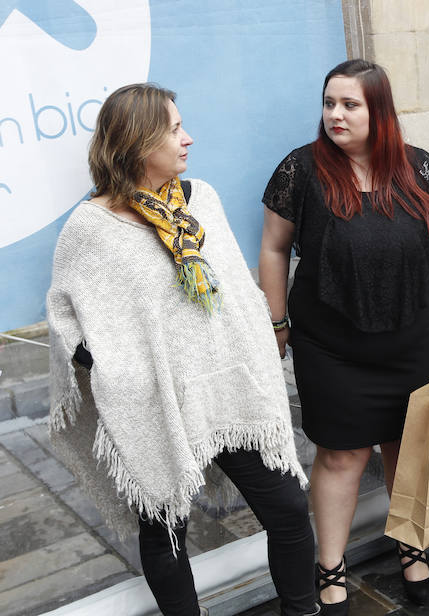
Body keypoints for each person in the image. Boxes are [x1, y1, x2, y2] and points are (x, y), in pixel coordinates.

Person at [46, 83, 318, 616]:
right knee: (166, 530)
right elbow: (66, 321)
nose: (187, 138)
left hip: (229, 391)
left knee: (287, 508)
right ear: (137, 140)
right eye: (174, 129)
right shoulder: (91, 229)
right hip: (157, 407)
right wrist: (120, 372)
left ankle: (303, 609)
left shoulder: (203, 200)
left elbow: (237, 297)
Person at [258, 59, 429, 613]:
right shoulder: (300, 171)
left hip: (411, 339)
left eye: (349, 104)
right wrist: (277, 321)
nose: (335, 114)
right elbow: (275, 248)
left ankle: (411, 547)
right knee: (340, 456)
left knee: (407, 450)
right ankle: (329, 566)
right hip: (332, 346)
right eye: (329, 103)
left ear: (379, 110)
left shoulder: (419, 169)